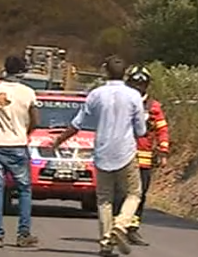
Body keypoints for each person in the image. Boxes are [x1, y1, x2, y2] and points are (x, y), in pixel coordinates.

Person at [51, 55, 146, 257]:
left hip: (102, 152)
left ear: (105, 72)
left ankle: (105, 243)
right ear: (125, 74)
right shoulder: (133, 96)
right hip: (125, 152)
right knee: (134, 193)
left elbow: (77, 123)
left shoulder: (95, 94)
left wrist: (58, 140)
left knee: (104, 199)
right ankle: (121, 225)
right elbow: (141, 130)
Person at [0, 55, 40, 249]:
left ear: (5, 69)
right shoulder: (28, 92)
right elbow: (35, 120)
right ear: (22, 71)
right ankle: (23, 233)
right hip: (18, 145)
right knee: (24, 189)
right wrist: (25, 132)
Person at [112, 65, 170, 246]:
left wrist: (163, 150)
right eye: (135, 83)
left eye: (142, 83)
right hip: (121, 154)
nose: (138, 87)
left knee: (140, 194)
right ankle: (115, 226)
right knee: (120, 193)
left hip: (143, 157)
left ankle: (132, 229)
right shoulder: (120, 102)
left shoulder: (153, 106)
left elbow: (162, 129)